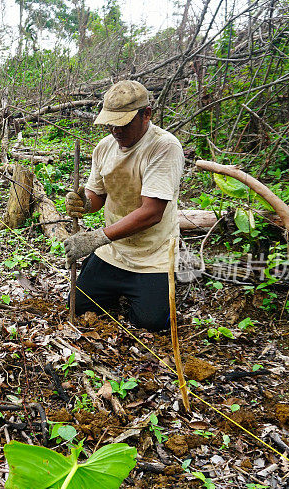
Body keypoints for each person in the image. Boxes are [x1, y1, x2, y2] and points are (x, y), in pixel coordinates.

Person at [63, 80, 184, 331]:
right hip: (114, 250)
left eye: (123, 123)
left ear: (146, 114)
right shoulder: (105, 147)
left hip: (153, 254)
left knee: (150, 323)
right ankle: (105, 276)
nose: (115, 131)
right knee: (79, 306)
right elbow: (97, 196)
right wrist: (83, 203)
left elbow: (152, 213)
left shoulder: (163, 146)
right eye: (110, 124)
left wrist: (96, 238)